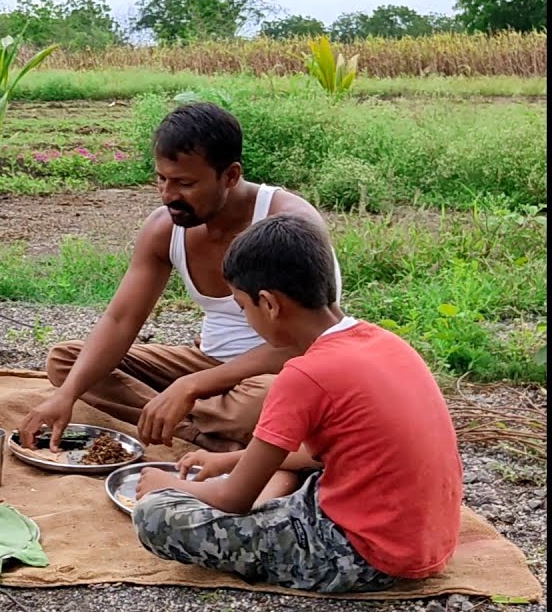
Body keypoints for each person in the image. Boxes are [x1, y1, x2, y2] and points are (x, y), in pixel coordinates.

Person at [131, 215, 462, 593]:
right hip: (427, 540)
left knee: (155, 517)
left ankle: (261, 512)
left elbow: (233, 498)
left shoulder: (304, 375)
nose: (246, 318)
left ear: (269, 304)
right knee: (289, 471)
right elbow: (323, 454)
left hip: (363, 555)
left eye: (243, 307)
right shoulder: (385, 342)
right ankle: (272, 495)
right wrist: (228, 460)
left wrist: (168, 486)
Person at [19, 102, 341, 452]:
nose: (169, 195)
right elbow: (121, 319)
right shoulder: (164, 229)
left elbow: (311, 340)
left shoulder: (287, 226)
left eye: (185, 183)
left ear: (230, 176)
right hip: (208, 363)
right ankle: (201, 433)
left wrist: (191, 387)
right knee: (67, 362)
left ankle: (191, 418)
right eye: (161, 179)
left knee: (260, 401)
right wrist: (66, 396)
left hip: (276, 370)